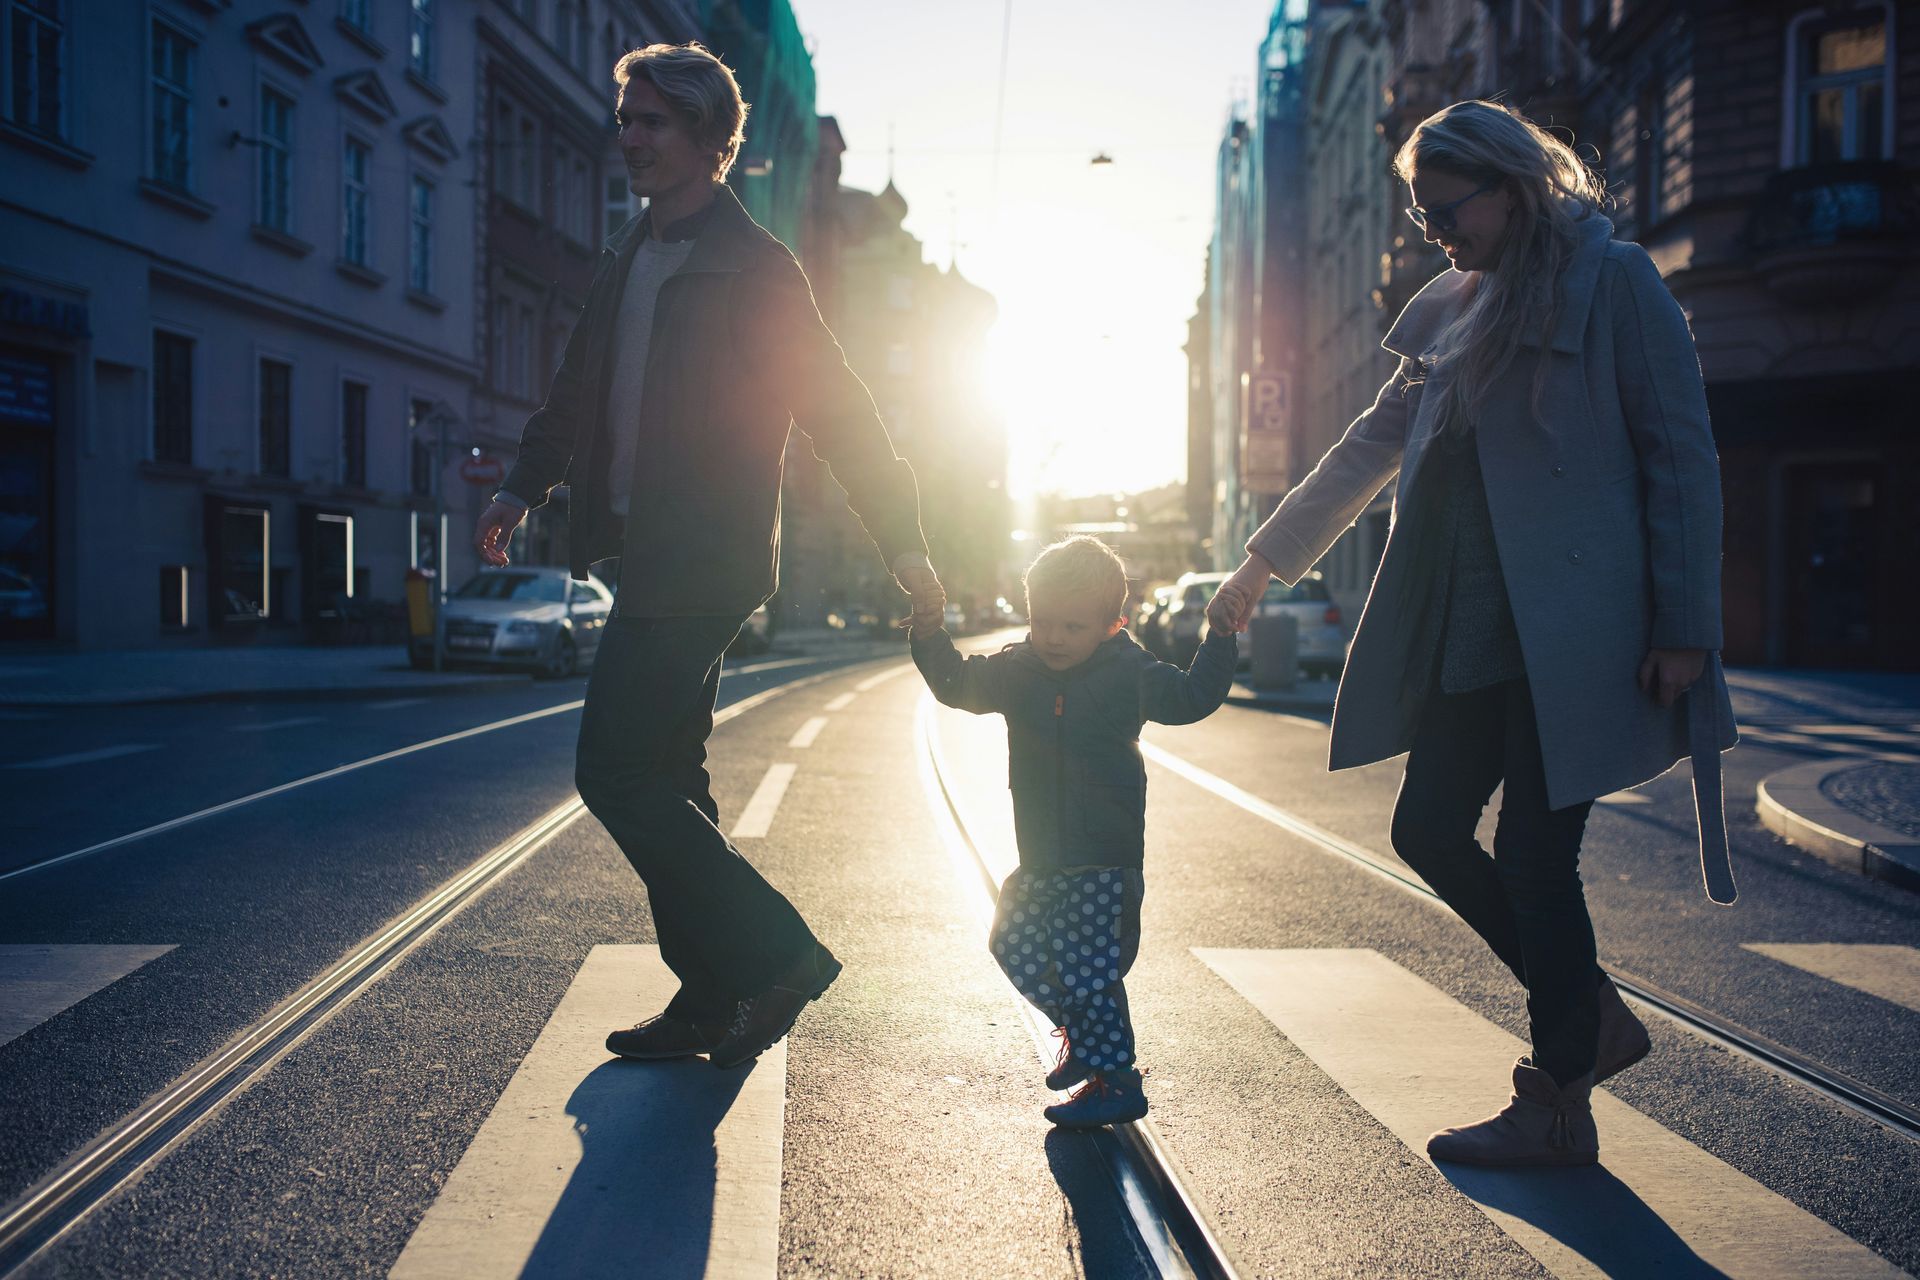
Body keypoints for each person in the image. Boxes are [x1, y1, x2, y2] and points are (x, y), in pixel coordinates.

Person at [1208, 100, 1736, 1167]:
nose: (1431, 231)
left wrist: (1686, 624)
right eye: (1418, 212)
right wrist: (1263, 560)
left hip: (1575, 635)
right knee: (1426, 830)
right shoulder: (1451, 305)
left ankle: (1554, 1098)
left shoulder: (1616, 278)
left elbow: (1682, 453)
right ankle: (1589, 1011)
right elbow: (1363, 449)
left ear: (1511, 183)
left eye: (1446, 209)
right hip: (1468, 633)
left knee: (1537, 863)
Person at [473, 43, 945, 1070]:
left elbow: (842, 415)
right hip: (639, 554)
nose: (630, 138)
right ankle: (707, 999)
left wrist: (902, 538)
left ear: (708, 139)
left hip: (709, 556)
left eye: (652, 123)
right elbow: (570, 394)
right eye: (627, 120)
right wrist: (522, 483)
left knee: (611, 769)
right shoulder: (625, 257)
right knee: (670, 775)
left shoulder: (756, 268)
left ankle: (780, 952)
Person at [910, 537, 1237, 1128]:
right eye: (1042, 622)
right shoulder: (1017, 669)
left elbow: (1192, 697)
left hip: (1103, 857)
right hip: (1040, 853)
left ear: (1114, 623)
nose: (1054, 638)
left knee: (1089, 969)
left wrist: (1221, 638)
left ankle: (1117, 1080)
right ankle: (1086, 1040)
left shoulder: (1128, 673)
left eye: (1073, 626)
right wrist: (929, 632)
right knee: (1011, 941)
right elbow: (955, 684)